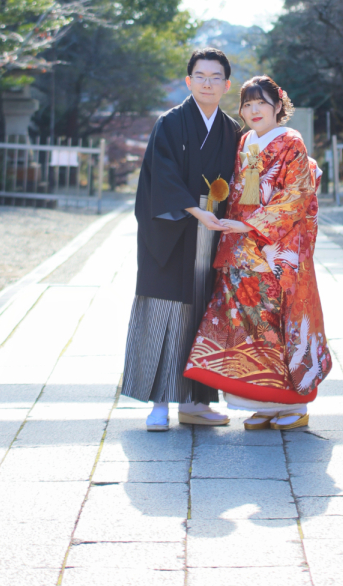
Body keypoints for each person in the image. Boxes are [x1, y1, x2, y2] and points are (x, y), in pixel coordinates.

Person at [184, 75, 332, 430]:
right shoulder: (244, 140)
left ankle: (294, 404)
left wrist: (250, 226)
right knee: (249, 325)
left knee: (276, 324)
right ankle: (265, 401)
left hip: (274, 249)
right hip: (239, 248)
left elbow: (295, 194)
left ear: (278, 106)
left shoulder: (290, 142)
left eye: (261, 103)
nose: (253, 110)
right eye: (247, 104)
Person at [122, 47, 241, 431]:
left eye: (215, 77)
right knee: (166, 313)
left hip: (213, 232)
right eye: (200, 76)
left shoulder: (231, 130)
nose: (208, 83)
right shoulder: (170, 123)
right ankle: (159, 404)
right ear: (188, 81)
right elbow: (164, 176)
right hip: (173, 230)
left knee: (204, 315)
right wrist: (195, 211)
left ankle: (196, 403)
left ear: (226, 85)